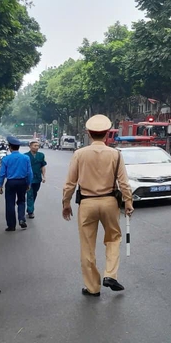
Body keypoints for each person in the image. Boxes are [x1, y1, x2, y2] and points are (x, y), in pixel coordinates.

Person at [62, 114, 134, 297]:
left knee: (87, 246)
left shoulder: (79, 154)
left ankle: (93, 288)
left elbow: (70, 183)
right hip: (110, 202)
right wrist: (128, 201)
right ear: (107, 133)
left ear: (88, 133)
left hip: (87, 203)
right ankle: (110, 274)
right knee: (113, 238)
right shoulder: (115, 154)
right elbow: (124, 183)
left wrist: (66, 203)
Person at [0, 136, 33, 231]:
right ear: (18, 147)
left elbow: (2, 174)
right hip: (22, 182)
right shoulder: (25, 158)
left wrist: (0, 185)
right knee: (21, 201)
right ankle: (21, 219)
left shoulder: (6, 159)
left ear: (10, 147)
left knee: (10, 203)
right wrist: (28, 183)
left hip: (10, 183)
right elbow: (29, 173)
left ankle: (11, 225)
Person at [25, 139, 47, 219]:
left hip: (38, 178)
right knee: (30, 194)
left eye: (38, 146)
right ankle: (30, 211)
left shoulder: (41, 155)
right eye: (35, 146)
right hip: (29, 179)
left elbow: (43, 166)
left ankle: (30, 207)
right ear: (30, 146)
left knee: (34, 193)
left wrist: (44, 176)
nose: (37, 147)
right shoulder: (25, 156)